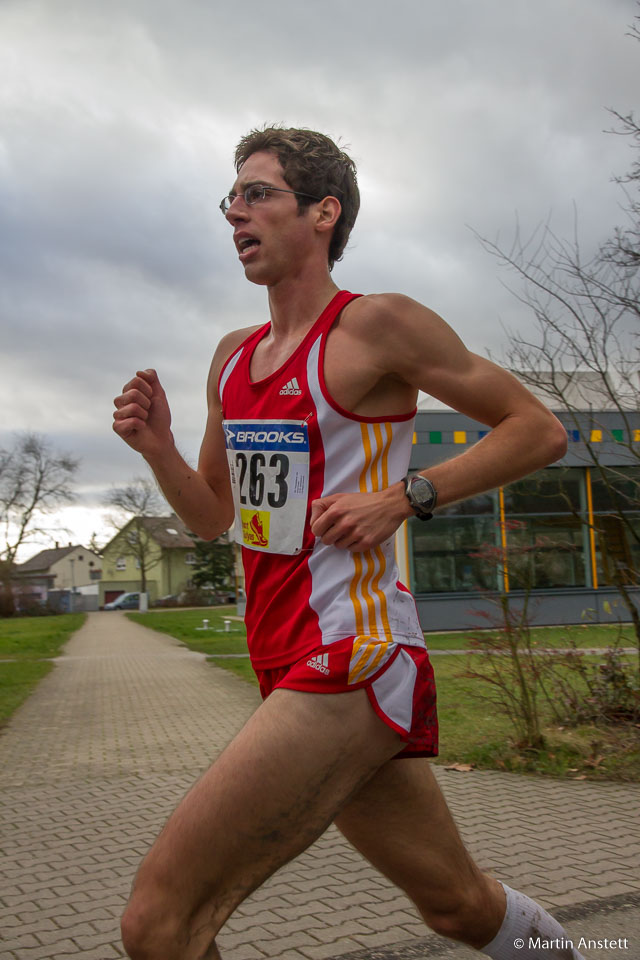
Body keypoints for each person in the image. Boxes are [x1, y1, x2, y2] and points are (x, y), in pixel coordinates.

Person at [113, 126, 584, 960]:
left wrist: (406, 496)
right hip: (279, 652)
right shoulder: (231, 359)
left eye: (258, 194)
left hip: (352, 652)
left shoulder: (377, 325)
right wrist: (158, 450)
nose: (235, 213)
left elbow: (538, 429)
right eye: (231, 197)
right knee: (457, 905)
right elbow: (212, 518)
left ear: (323, 213)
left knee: (159, 924)